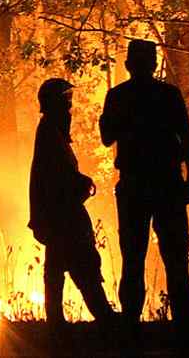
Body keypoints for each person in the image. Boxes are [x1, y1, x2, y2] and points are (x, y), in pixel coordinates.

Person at [99, 39, 189, 344]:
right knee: (176, 259)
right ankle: (184, 330)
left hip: (134, 187)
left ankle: (131, 328)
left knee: (133, 258)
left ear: (129, 65)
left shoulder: (118, 96)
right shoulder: (168, 95)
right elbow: (187, 138)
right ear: (153, 65)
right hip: (167, 184)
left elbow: (106, 137)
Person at [28, 77, 118, 343]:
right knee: (83, 265)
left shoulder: (51, 132)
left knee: (59, 267)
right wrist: (84, 184)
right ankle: (103, 318)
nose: (70, 107)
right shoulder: (49, 134)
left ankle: (57, 324)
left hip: (59, 215)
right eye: (65, 100)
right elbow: (57, 176)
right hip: (62, 216)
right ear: (53, 103)